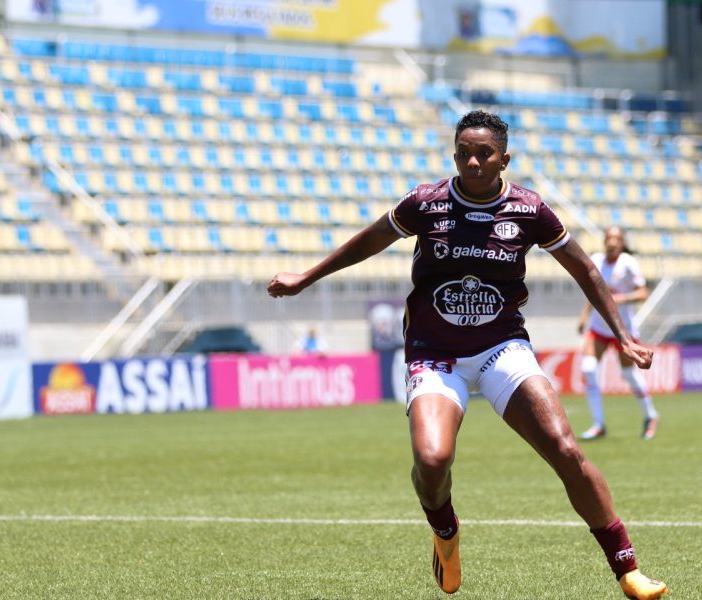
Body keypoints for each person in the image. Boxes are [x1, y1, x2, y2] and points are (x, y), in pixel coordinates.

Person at [267, 110, 668, 599]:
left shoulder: (529, 209)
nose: (472, 161)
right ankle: (445, 533)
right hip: (434, 353)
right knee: (433, 461)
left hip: (502, 347)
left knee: (564, 447)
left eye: (484, 153)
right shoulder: (426, 203)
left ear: (505, 158)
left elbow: (584, 266)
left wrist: (622, 334)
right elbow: (371, 239)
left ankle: (628, 570)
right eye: (463, 153)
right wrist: (306, 277)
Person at [576, 226, 660, 441]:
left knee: (629, 374)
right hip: (598, 328)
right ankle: (599, 424)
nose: (612, 242)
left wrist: (618, 299)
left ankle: (650, 415)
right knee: (588, 369)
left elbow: (643, 292)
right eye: (609, 238)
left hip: (623, 330)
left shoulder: (628, 263)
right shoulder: (596, 259)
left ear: (622, 243)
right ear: (604, 241)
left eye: (616, 238)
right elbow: (592, 290)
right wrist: (584, 316)